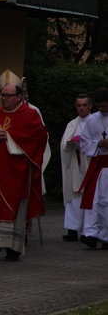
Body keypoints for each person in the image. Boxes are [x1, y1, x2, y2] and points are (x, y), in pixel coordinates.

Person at [0, 82, 48, 261]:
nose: (4, 99)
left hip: (17, 172)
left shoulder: (30, 114)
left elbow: (38, 136)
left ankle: (13, 248)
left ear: (19, 97)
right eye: (2, 95)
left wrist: (10, 136)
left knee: (15, 207)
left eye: (8, 96)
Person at [77, 88, 108, 247]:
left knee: (106, 202)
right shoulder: (92, 119)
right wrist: (97, 143)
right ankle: (90, 233)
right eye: (99, 106)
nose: (101, 109)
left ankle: (106, 236)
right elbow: (84, 141)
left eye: (104, 106)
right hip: (97, 165)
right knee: (94, 201)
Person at [60, 94, 92, 242]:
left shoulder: (96, 122)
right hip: (74, 164)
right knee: (73, 197)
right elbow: (63, 145)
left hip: (89, 164)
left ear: (90, 106)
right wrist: (69, 144)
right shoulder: (72, 124)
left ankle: (88, 230)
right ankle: (72, 230)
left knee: (89, 197)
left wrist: (85, 144)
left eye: (84, 105)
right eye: (79, 105)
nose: (82, 108)